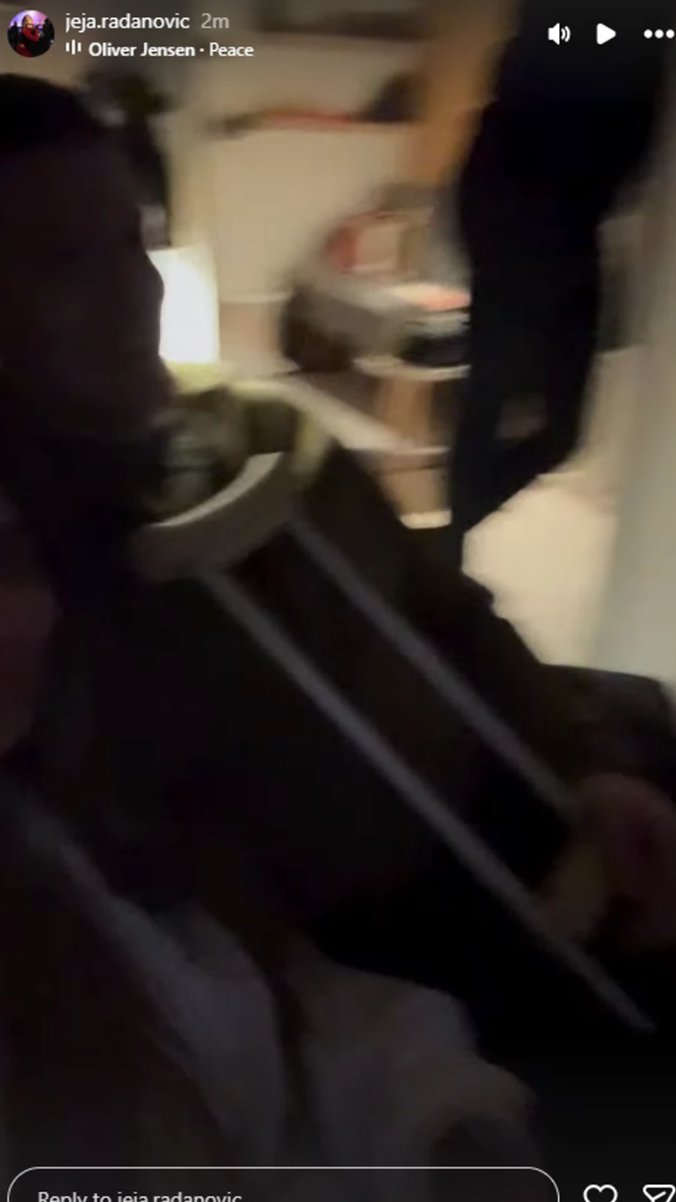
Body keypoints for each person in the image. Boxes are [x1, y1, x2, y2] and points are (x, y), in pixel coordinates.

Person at [1, 73, 676, 1179]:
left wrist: (590, 763)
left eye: (132, 241)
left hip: (526, 797)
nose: (131, 293)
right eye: (65, 264)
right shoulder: (30, 599)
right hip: (385, 954)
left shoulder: (270, 434)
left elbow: (450, 614)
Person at [443, 0, 671, 564]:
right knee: (500, 407)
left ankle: (445, 546)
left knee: (541, 424)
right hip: (526, 222)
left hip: (549, 224)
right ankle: (445, 551)